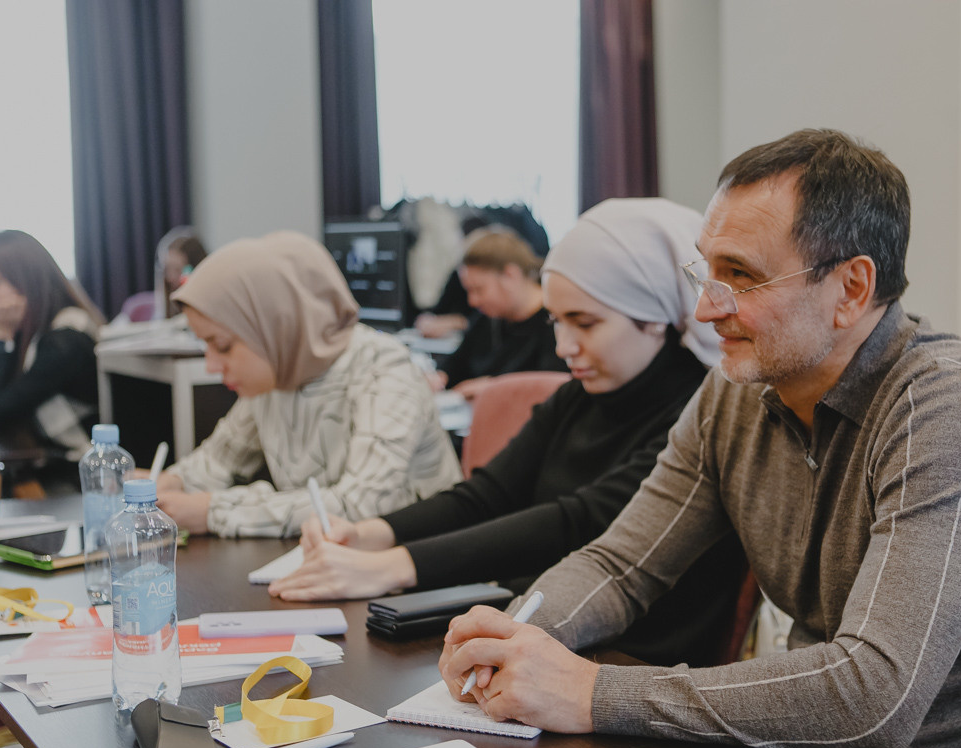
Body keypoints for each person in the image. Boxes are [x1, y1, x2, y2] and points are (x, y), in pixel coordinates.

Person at [438, 130, 961, 748]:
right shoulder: (738, 390)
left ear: (850, 289)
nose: (706, 309)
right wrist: (522, 633)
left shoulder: (947, 411)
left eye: (741, 275)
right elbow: (620, 564)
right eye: (708, 271)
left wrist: (589, 692)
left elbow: (870, 693)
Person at [271, 199, 742, 667]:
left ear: (656, 315)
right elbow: (487, 494)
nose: (563, 347)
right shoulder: (580, 396)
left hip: (630, 655)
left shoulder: (698, 411)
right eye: (556, 321)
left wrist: (390, 566)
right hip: (541, 619)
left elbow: (577, 522)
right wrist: (372, 534)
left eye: (585, 322)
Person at [153, 230, 462, 539]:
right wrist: (167, 485)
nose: (211, 365)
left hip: (420, 566)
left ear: (277, 328)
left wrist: (213, 511)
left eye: (222, 345)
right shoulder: (282, 371)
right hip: (343, 567)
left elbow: (360, 506)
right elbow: (220, 459)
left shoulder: (385, 372)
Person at [0, 230, 103, 458]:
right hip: (43, 461)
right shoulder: (30, 333)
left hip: (78, 473)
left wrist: (0, 337)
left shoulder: (67, 340)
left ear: (27, 280)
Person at [434, 226, 567, 400]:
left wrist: (495, 388)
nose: (472, 301)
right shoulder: (488, 318)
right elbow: (456, 363)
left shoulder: (556, 322)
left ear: (510, 275)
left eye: (479, 290)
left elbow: (550, 387)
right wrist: (439, 378)